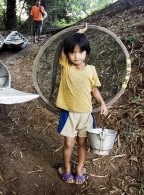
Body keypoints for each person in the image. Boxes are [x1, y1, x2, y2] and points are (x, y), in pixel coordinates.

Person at [56, 24, 108, 184]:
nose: (76, 56)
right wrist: (79, 33)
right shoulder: (66, 67)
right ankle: (66, 168)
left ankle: (79, 170)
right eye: (73, 52)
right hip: (69, 114)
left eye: (80, 52)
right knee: (68, 144)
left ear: (87, 53)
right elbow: (64, 46)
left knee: (82, 144)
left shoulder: (91, 69)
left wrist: (102, 103)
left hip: (86, 114)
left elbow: (94, 90)